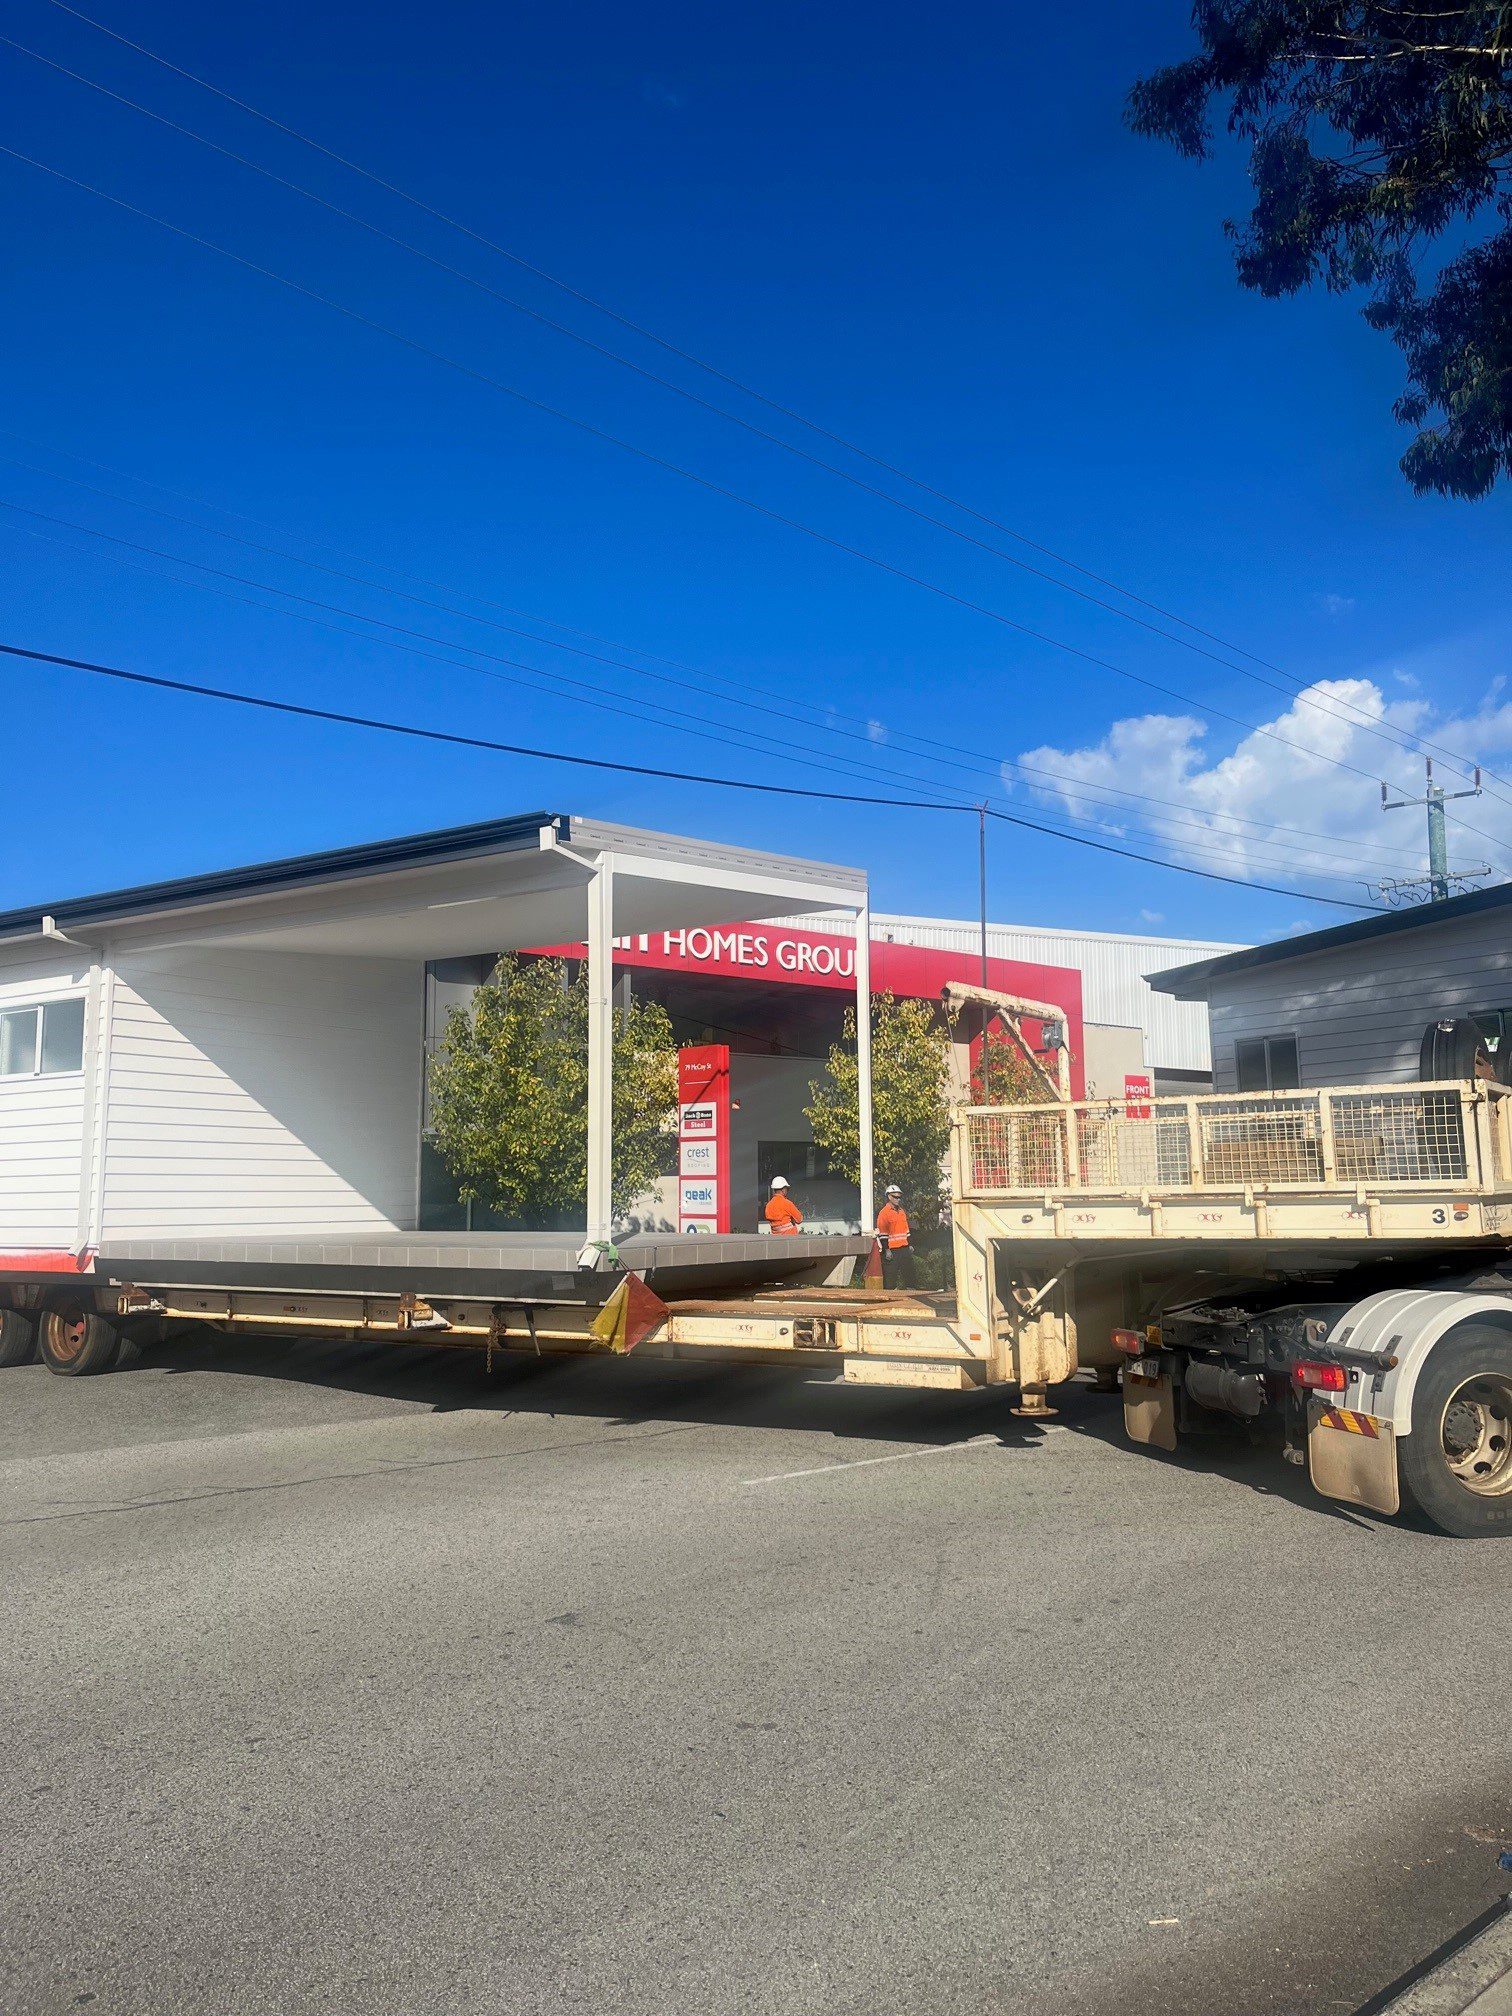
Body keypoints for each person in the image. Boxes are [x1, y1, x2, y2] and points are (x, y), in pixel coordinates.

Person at [876, 1183, 916, 1287]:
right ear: (889, 1197)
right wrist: (887, 1250)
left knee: (910, 1275)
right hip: (892, 1251)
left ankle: (911, 1298)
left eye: (899, 1197)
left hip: (904, 1248)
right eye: (895, 1197)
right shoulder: (884, 1213)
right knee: (890, 1277)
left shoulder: (902, 1211)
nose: (898, 1199)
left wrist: (910, 1245)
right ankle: (889, 1299)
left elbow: (906, 1230)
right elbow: (883, 1233)